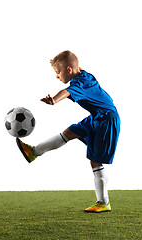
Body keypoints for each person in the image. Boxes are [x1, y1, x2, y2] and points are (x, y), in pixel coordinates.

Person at [16, 50, 120, 213]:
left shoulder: (79, 84)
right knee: (69, 132)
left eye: (58, 72)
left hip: (106, 120)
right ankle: (33, 152)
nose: (57, 76)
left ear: (69, 70)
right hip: (96, 117)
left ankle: (103, 202)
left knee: (95, 161)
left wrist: (54, 100)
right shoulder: (84, 76)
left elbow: (67, 92)